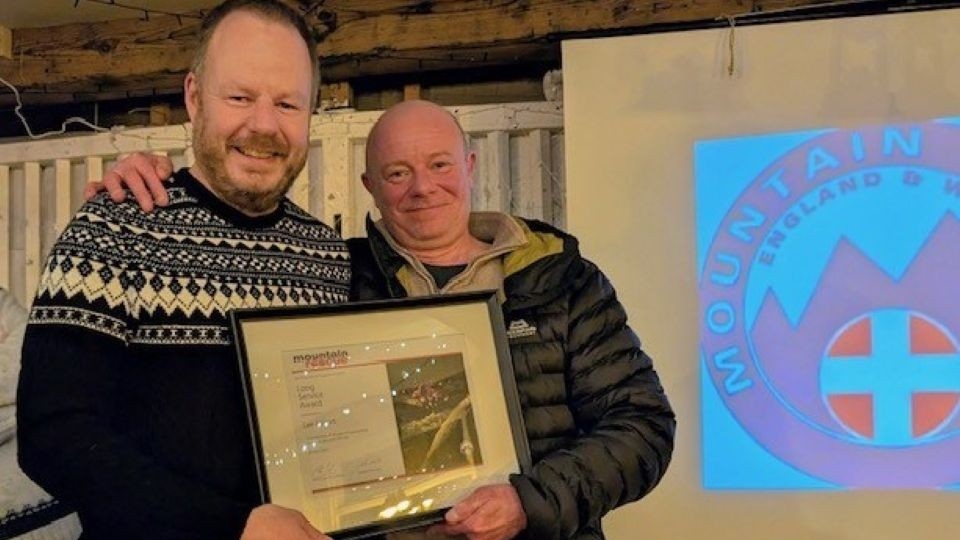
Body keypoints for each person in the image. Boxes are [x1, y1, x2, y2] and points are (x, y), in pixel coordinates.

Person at [93, 100, 676, 540]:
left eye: (440, 164)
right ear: (371, 186)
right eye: (397, 173)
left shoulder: (564, 279)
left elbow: (644, 428)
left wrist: (530, 501)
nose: (422, 187)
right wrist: (154, 188)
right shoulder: (329, 274)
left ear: (470, 165)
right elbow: (226, 261)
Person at [16, 2, 349, 539]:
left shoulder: (328, 255)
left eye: (288, 103)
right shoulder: (114, 228)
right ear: (194, 97)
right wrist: (232, 528)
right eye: (239, 97)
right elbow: (53, 436)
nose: (264, 125)